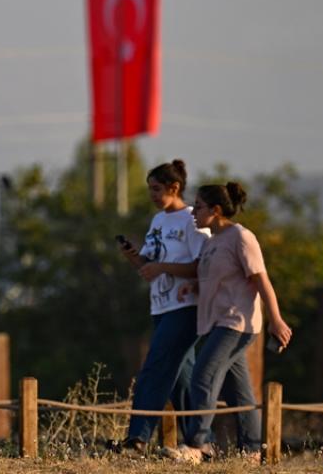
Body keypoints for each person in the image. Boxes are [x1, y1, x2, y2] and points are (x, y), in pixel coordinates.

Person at [171, 182, 292, 463]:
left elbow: (261, 280)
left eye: (198, 207)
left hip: (237, 323)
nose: (193, 212)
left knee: (203, 374)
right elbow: (218, 279)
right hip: (216, 323)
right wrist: (193, 287)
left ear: (215, 210)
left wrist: (276, 319)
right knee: (239, 391)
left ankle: (199, 445)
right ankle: (252, 451)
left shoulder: (241, 237)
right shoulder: (212, 242)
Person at [113, 159, 210, 453]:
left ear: (174, 187)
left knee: (155, 367)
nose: (152, 195)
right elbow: (148, 265)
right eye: (150, 189)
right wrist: (133, 256)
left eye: (157, 189)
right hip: (160, 306)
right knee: (182, 379)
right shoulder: (158, 221)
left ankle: (137, 439)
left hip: (186, 306)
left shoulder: (193, 219)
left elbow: (202, 266)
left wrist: (162, 268)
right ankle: (202, 443)